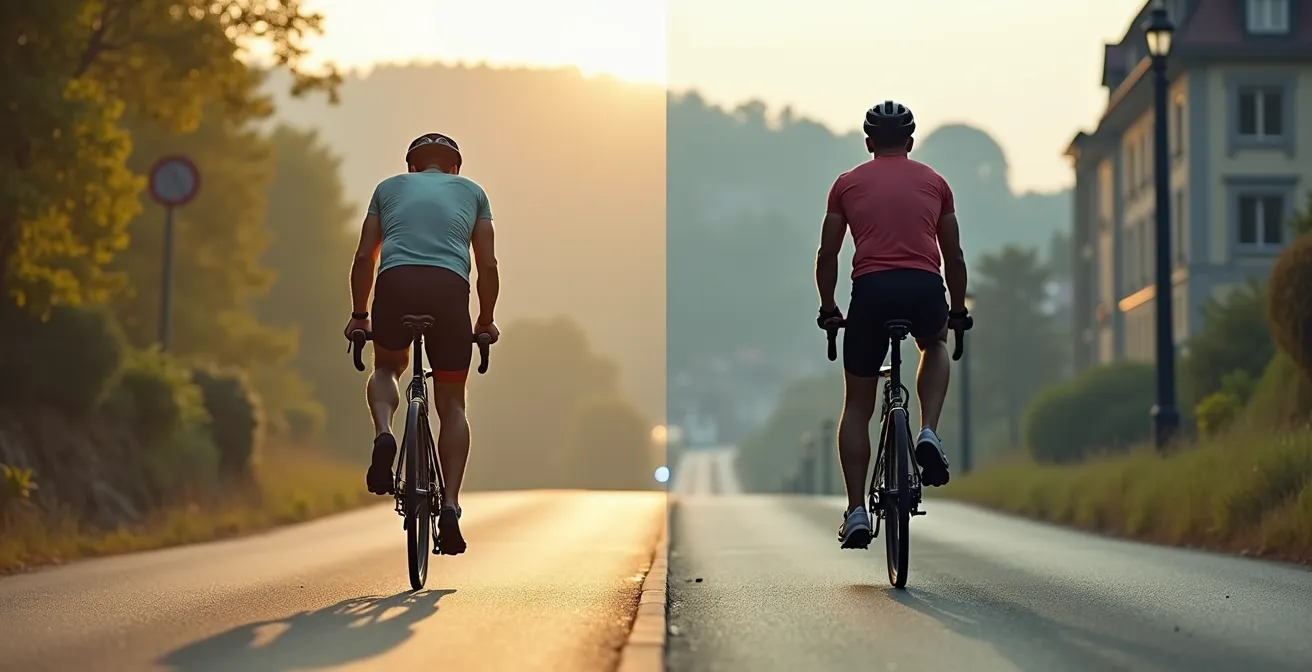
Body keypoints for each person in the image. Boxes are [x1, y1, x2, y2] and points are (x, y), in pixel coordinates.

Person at [813, 101, 971, 550]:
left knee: (858, 405)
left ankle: (857, 510)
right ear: (910, 142)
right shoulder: (937, 183)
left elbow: (828, 255)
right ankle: (927, 432)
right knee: (935, 345)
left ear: (868, 144)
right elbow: (954, 257)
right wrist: (956, 309)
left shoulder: (845, 185)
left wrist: (828, 307)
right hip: (923, 288)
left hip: (871, 292)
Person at [343, 132, 500, 556]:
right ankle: (449, 506)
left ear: (412, 166)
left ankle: (384, 433)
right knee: (452, 404)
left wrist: (360, 315)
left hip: (396, 285)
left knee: (387, 367)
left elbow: (363, 258)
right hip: (449, 291)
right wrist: (484, 321)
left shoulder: (387, 188)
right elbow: (486, 264)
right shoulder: (473, 192)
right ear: (454, 168)